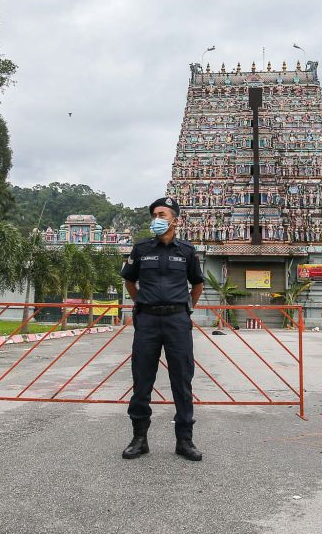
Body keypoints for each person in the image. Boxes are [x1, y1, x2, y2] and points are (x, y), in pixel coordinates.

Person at [120, 197, 204, 461]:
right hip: (147, 322)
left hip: (178, 321)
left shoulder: (187, 251)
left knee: (182, 380)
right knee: (142, 380)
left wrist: (186, 307)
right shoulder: (142, 248)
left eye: (162, 214)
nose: (156, 218)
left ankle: (185, 440)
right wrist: (143, 303)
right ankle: (139, 438)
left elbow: (197, 284)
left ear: (175, 220)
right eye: (154, 214)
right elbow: (129, 281)